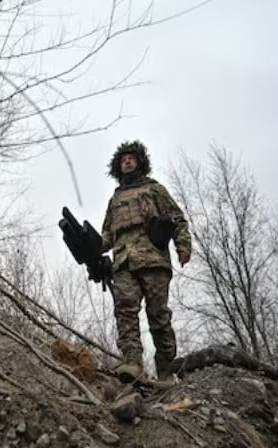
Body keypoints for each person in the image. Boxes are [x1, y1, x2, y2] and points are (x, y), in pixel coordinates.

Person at [101, 140, 191, 382]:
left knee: (158, 315)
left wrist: (183, 245)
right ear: (118, 166)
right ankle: (132, 362)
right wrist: (90, 247)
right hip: (123, 263)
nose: (127, 161)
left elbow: (177, 219)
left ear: (140, 162)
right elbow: (107, 234)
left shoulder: (154, 190)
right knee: (125, 311)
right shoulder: (115, 198)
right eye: (123, 159)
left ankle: (165, 370)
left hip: (152, 261)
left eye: (131, 158)